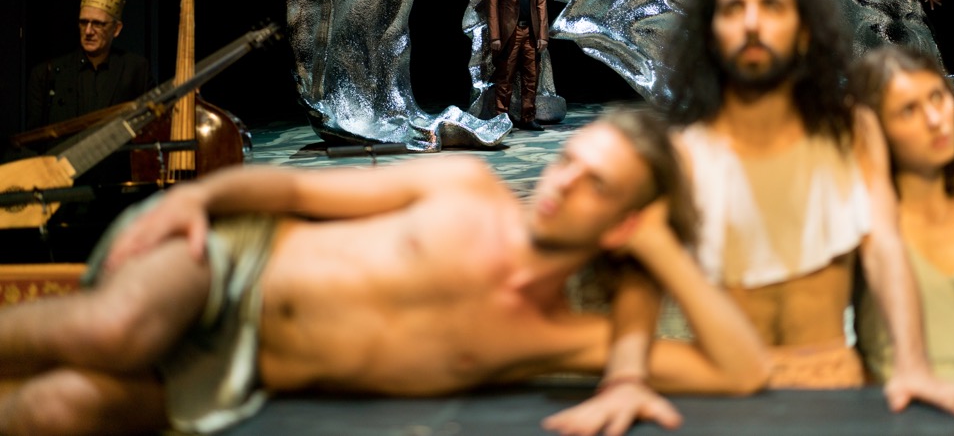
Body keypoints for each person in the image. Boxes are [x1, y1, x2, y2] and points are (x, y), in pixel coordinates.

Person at [0, 107, 769, 436]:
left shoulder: (556, 336)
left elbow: (739, 370)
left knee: (59, 407)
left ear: (625, 223)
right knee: (114, 328)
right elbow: (295, 191)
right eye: (570, 158)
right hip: (226, 257)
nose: (562, 181)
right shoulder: (466, 187)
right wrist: (194, 198)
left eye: (595, 184)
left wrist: (659, 246)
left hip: (235, 374)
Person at [654, 0, 954, 413]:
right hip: (721, 387)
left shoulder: (850, 131)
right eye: (734, 8)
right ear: (710, 32)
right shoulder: (681, 152)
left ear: (803, 31)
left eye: (771, 6)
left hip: (828, 380)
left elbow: (884, 246)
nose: (752, 22)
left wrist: (912, 365)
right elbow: (636, 269)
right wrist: (623, 375)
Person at [848, 45, 954, 389]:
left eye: (937, 97)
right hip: (894, 397)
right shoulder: (860, 214)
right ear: (875, 129)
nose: (935, 119)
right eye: (908, 110)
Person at [26, 0, 153, 131]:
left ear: (116, 29)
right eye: (83, 22)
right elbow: (34, 137)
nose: (88, 31)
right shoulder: (47, 74)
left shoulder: (135, 70)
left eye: (98, 24)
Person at [486, 0, 549, 131]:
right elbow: (492, 6)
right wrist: (495, 36)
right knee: (505, 76)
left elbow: (541, 5)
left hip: (530, 32)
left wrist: (543, 35)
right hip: (509, 33)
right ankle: (501, 119)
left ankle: (528, 118)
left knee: (531, 77)